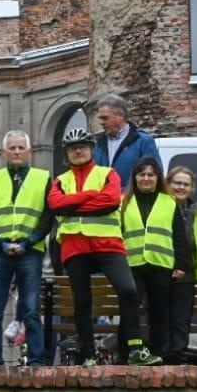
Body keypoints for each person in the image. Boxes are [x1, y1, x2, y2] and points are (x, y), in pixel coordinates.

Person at [46, 127, 160, 366]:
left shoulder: (108, 174)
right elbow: (55, 204)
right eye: (73, 148)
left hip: (108, 244)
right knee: (82, 300)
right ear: (67, 154)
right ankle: (88, 354)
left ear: (91, 149)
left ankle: (134, 350)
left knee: (128, 291)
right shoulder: (60, 180)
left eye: (83, 147)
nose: (78, 151)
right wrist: (89, 196)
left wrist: (73, 205)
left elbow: (109, 202)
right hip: (75, 246)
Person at [0, 131, 51, 367]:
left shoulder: (43, 177)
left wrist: (29, 241)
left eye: (21, 148)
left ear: (29, 152)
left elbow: (48, 216)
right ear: (4, 152)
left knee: (30, 308)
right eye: (12, 148)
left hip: (30, 250)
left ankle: (37, 360)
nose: (17, 152)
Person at [121, 157, 193, 361]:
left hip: (161, 265)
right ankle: (127, 354)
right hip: (132, 264)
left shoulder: (168, 202)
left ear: (157, 178)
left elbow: (179, 235)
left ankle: (157, 355)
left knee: (159, 312)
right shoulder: (124, 202)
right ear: (135, 178)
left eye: (150, 174)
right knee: (130, 309)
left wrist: (181, 264)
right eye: (141, 174)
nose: (146, 178)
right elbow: (117, 233)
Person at [164, 165, 197, 363]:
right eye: (177, 183)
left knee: (181, 320)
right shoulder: (160, 207)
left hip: (186, 276)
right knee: (161, 318)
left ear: (192, 188)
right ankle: (162, 356)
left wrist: (184, 266)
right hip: (161, 273)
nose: (181, 187)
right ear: (168, 184)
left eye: (186, 184)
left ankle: (178, 359)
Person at [92, 93, 162, 185]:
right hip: (104, 198)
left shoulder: (143, 141)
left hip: (132, 198)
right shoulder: (99, 144)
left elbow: (154, 176)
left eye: (105, 118)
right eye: (100, 118)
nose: (101, 123)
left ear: (120, 116)